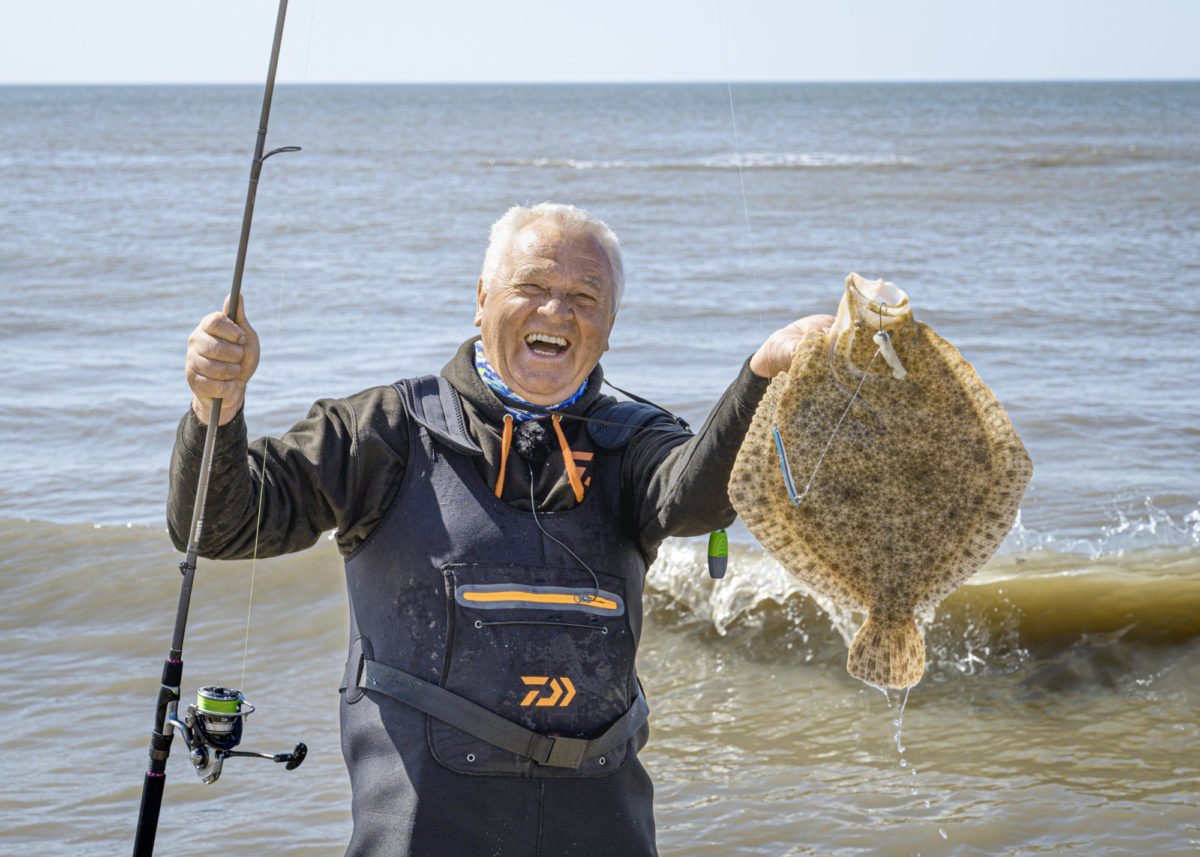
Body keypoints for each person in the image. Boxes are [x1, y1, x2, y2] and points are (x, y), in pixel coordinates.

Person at [169, 202, 833, 856]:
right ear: (481, 299)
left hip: (602, 825)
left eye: (584, 295)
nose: (556, 311)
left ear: (609, 327)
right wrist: (213, 410)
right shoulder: (382, 432)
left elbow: (696, 496)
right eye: (533, 287)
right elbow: (220, 526)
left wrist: (762, 376)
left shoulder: (636, 443)